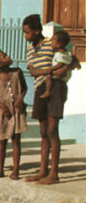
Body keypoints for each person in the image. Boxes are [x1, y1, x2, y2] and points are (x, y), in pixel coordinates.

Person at [23, 15, 80, 185]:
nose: (25, 36)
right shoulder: (30, 50)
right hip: (40, 88)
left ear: (37, 31)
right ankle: (43, 170)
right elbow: (32, 71)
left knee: (52, 131)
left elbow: (72, 59)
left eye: (27, 32)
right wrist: (49, 71)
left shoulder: (51, 43)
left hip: (55, 88)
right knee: (43, 132)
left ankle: (54, 173)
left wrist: (64, 69)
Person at [0, 47, 28, 181]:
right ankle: (0, 170)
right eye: (4, 56)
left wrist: (20, 99)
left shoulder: (17, 72)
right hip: (2, 112)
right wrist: (2, 106)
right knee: (2, 141)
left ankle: (16, 170)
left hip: (16, 110)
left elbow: (24, 88)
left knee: (16, 140)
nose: (8, 56)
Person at [39, 30, 79, 99]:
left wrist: (51, 68)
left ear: (59, 44)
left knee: (48, 77)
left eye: (52, 41)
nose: (51, 43)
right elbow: (74, 58)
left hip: (60, 75)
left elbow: (60, 64)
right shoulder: (67, 52)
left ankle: (48, 91)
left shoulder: (60, 54)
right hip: (65, 76)